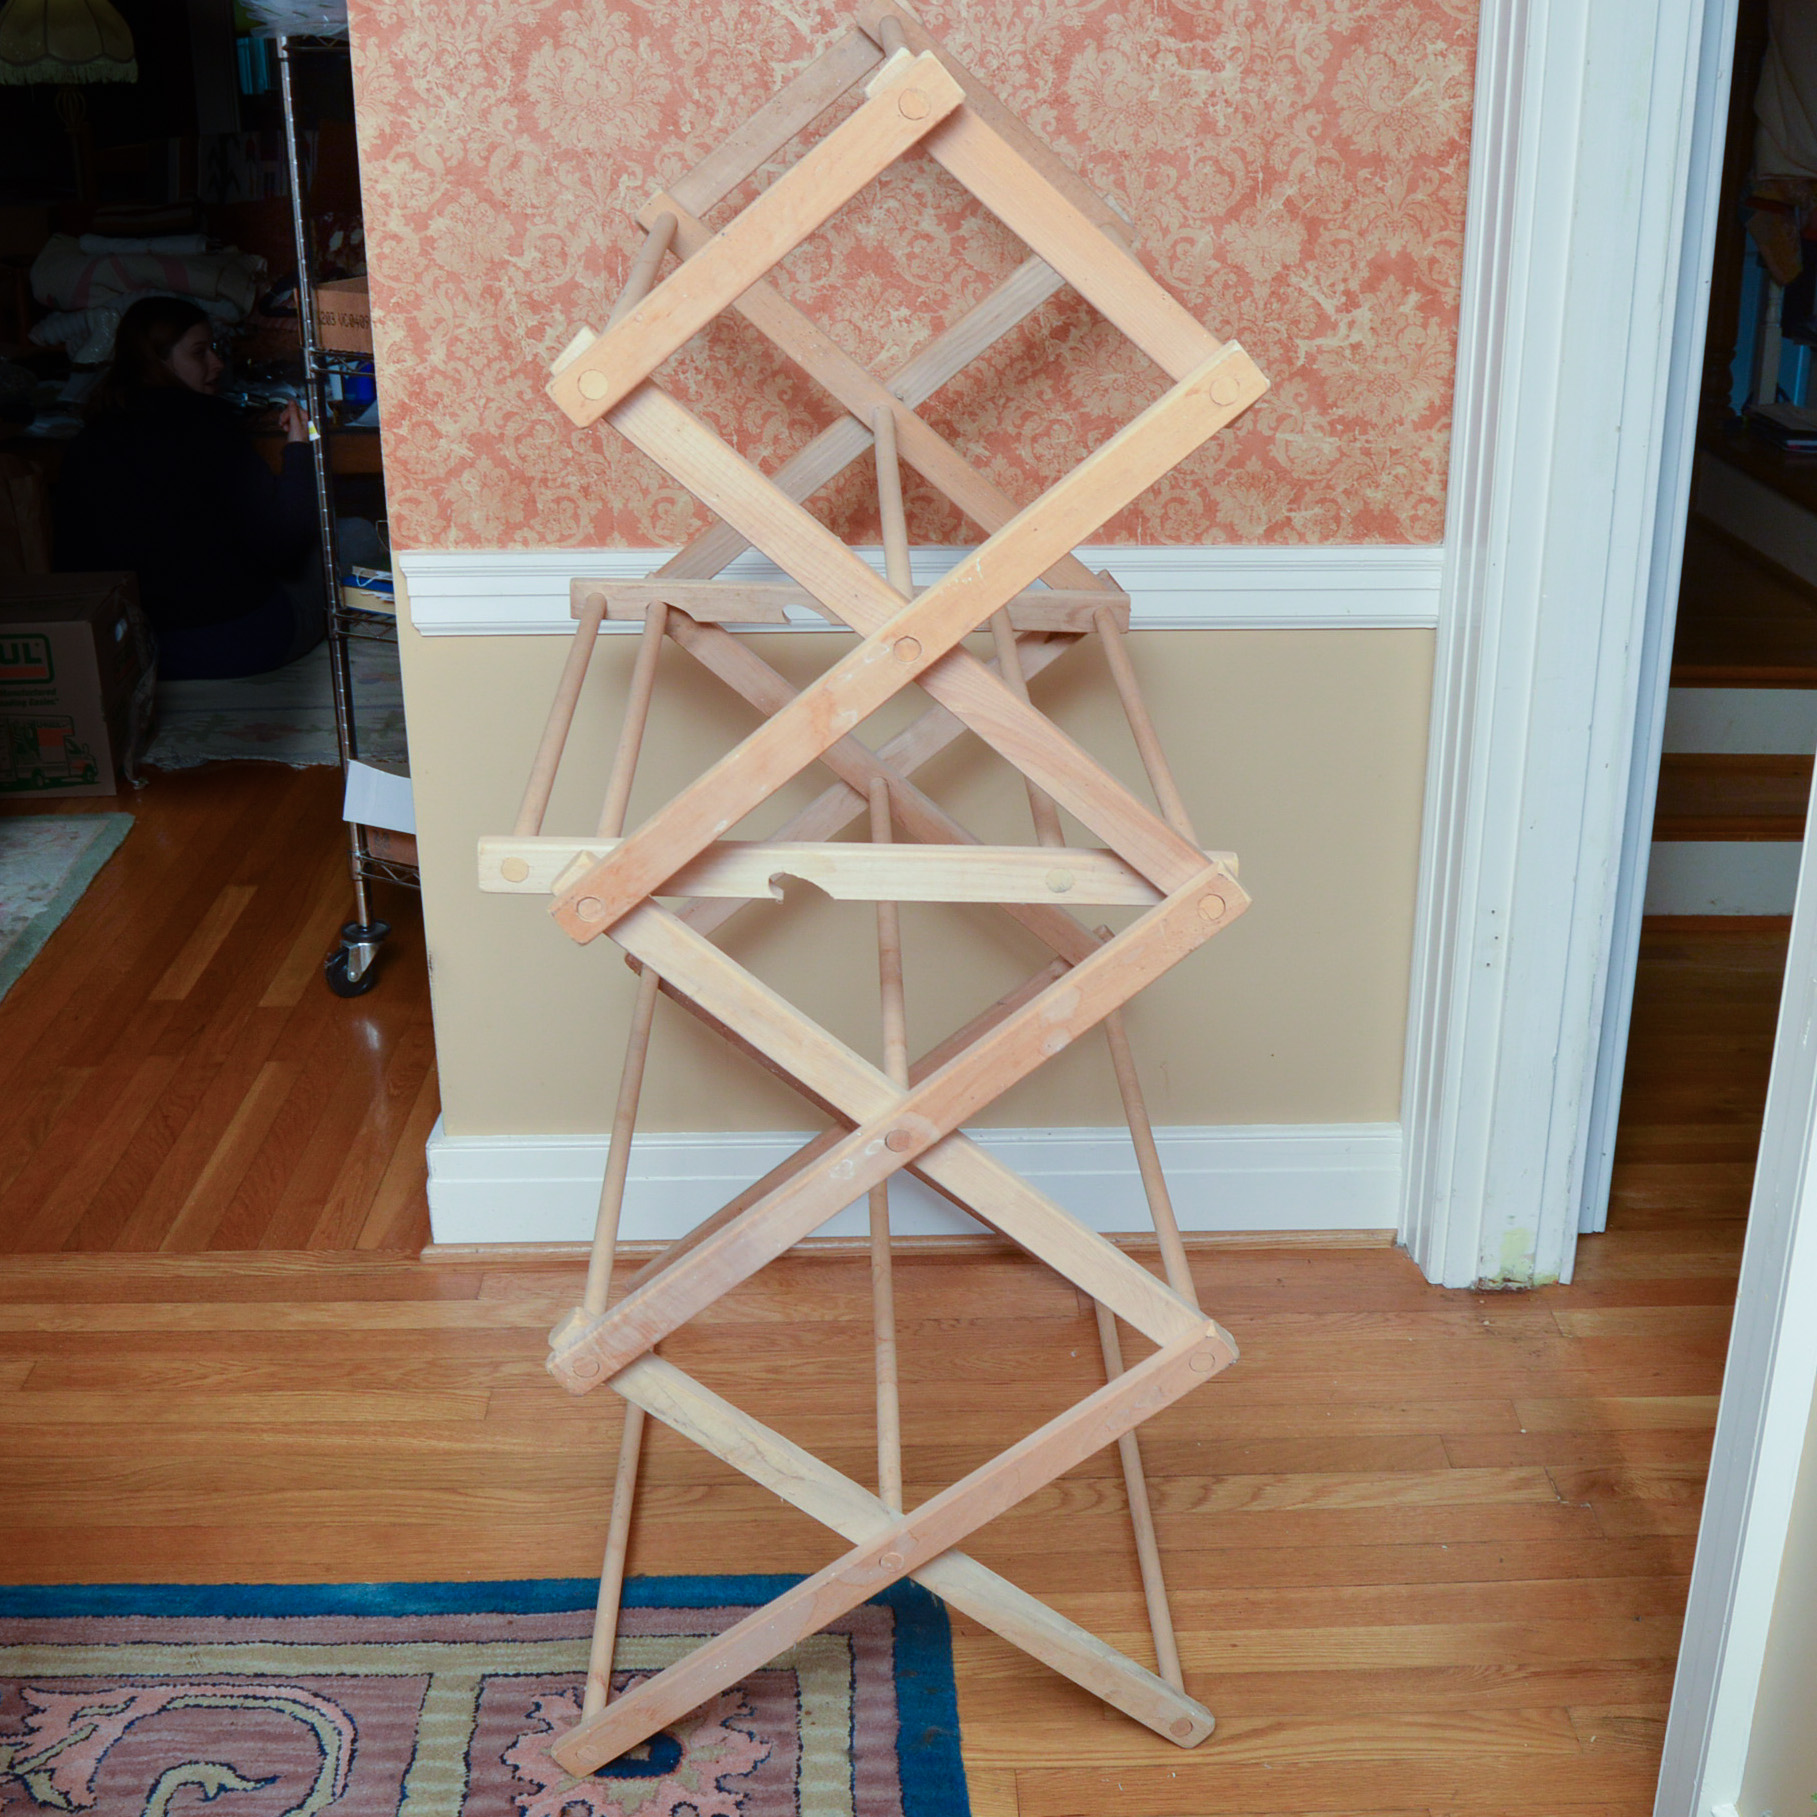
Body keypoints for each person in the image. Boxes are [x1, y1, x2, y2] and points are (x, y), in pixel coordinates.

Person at [52, 295, 325, 679]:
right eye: (200, 352)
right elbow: (285, 545)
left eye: (214, 348)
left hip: (134, 649)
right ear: (159, 360)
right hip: (239, 642)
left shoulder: (89, 439)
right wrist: (300, 448)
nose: (217, 362)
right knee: (349, 537)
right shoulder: (210, 428)